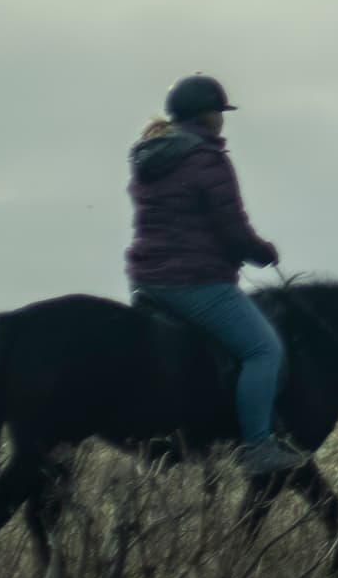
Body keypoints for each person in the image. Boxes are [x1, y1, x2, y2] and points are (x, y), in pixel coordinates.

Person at [126, 74, 303, 478]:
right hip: (196, 282)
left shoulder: (149, 156)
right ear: (208, 116)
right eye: (220, 113)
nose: (222, 120)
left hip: (147, 281)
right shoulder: (208, 159)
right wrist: (262, 253)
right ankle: (257, 447)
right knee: (264, 351)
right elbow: (232, 228)